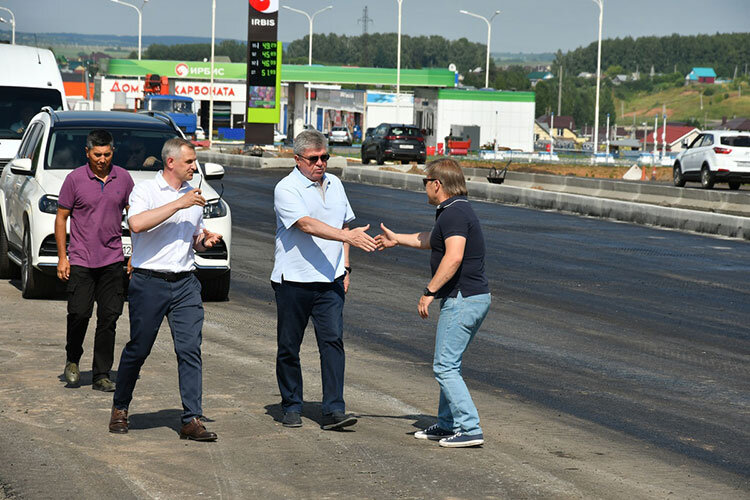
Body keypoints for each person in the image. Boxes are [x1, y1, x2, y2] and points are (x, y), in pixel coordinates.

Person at [109, 137, 222, 441]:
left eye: (194, 161)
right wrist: (178, 204)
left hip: (185, 283)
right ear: (170, 162)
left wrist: (204, 241)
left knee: (189, 350)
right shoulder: (145, 189)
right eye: (189, 162)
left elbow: (194, 236)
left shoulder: (193, 196)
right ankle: (120, 407)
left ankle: (191, 419)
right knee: (139, 348)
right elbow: (137, 224)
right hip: (149, 281)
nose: (194, 167)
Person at [375, 158, 491, 448]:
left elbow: (453, 257)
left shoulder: (453, 214)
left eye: (425, 182)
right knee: (450, 364)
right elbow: (431, 240)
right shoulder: (453, 211)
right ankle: (447, 423)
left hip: (462, 299)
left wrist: (429, 291)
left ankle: (469, 428)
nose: (424, 188)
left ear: (437, 184)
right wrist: (396, 239)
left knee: (444, 367)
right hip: (472, 297)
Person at [272, 129, 377, 430]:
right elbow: (305, 224)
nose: (320, 163)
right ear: (297, 159)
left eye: (325, 157)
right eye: (314, 158)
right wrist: (346, 236)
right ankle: (291, 404)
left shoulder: (336, 184)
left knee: (332, 343)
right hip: (293, 280)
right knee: (289, 345)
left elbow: (343, 224)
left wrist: (345, 267)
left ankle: (334, 409)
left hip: (330, 280)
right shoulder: (286, 188)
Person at [56, 129, 134, 392]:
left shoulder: (123, 178)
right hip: (81, 260)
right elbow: (61, 218)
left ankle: (101, 374)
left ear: (113, 152)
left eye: (107, 154)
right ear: (87, 152)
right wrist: (62, 257)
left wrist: (135, 253)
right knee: (79, 313)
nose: (102, 159)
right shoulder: (74, 179)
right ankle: (73, 359)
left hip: (112, 260)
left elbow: (133, 217)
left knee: (109, 317)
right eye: (97, 154)